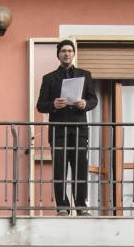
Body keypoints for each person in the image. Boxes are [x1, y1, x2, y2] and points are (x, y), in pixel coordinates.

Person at [35, 40, 98, 216]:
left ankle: (81, 205)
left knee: (80, 167)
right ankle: (62, 206)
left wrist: (85, 103)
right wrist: (53, 104)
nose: (67, 54)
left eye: (70, 51)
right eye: (63, 51)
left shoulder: (85, 75)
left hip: (79, 129)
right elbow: (40, 105)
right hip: (58, 130)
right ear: (58, 54)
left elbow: (94, 100)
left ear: (73, 53)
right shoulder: (49, 78)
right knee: (59, 168)